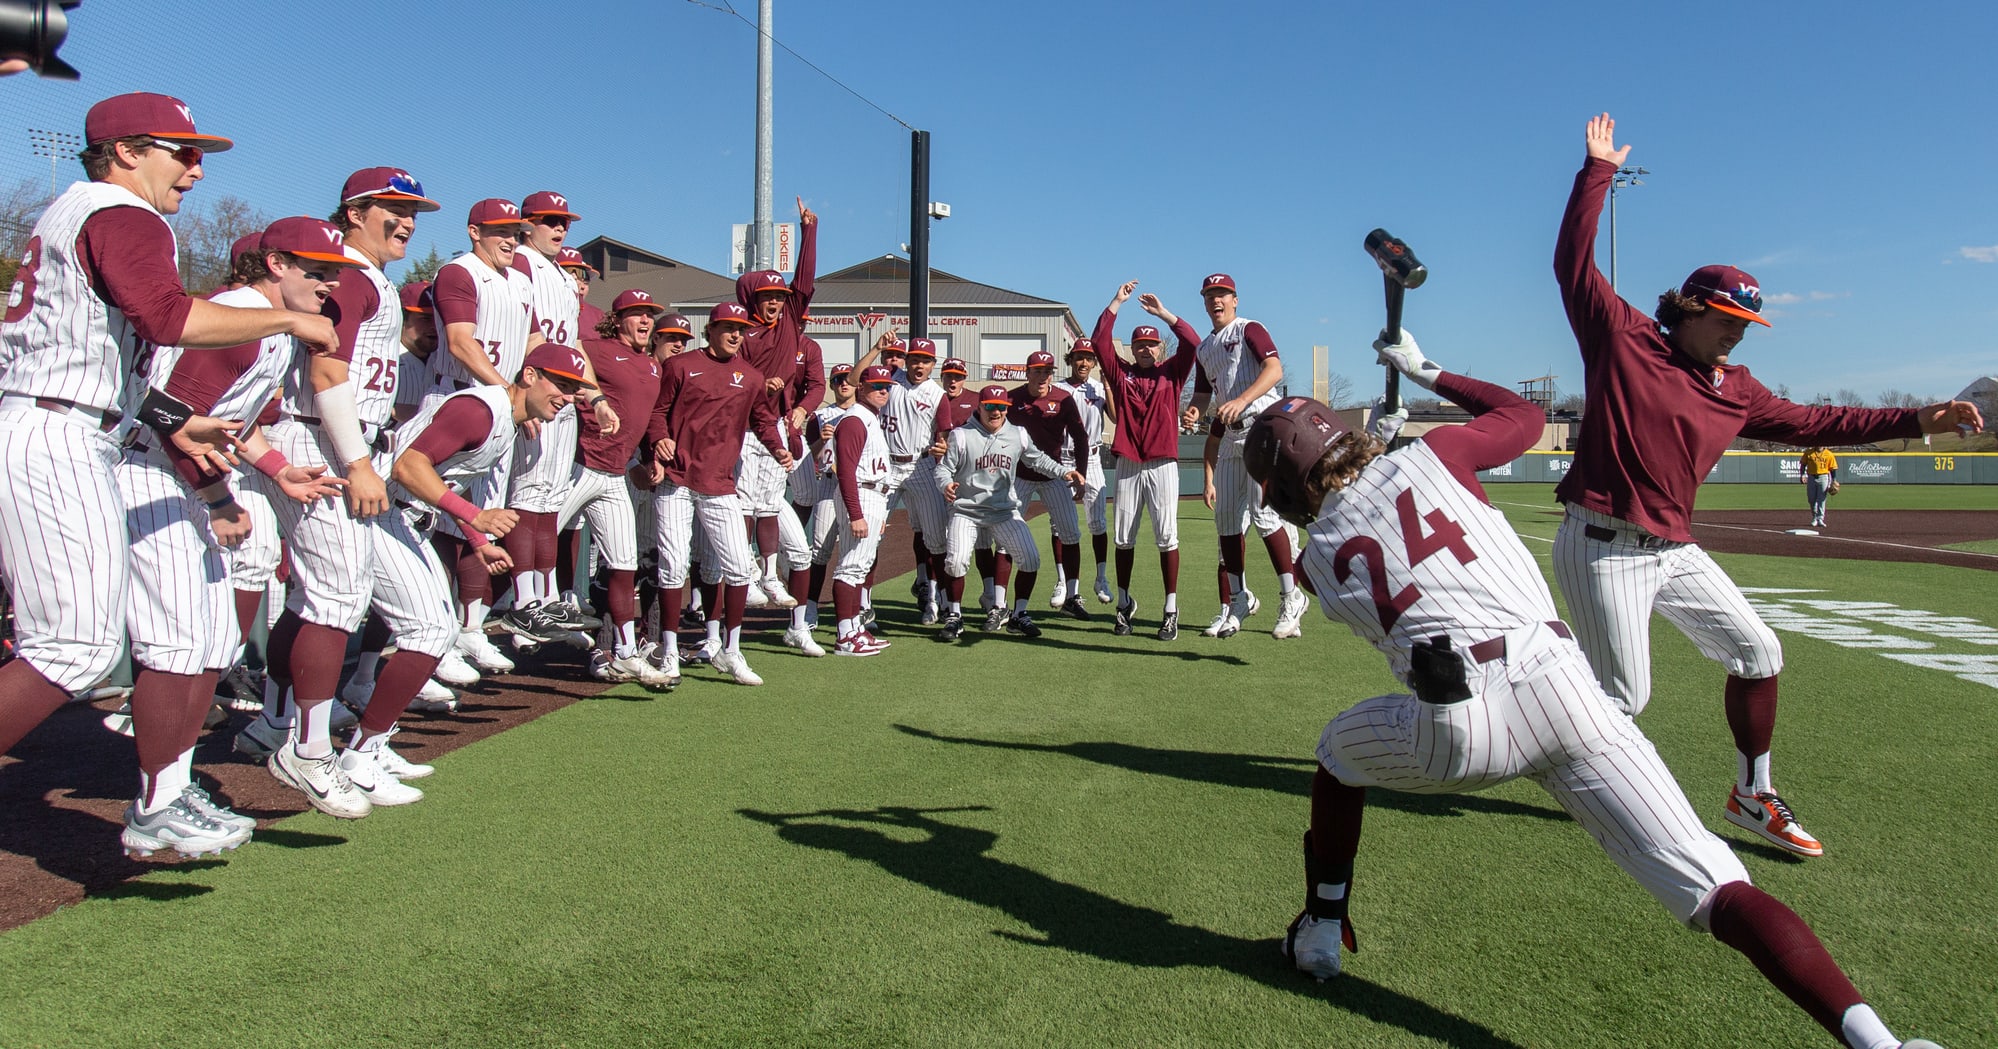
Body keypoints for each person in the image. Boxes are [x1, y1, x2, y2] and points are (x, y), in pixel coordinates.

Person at [1252, 334, 1950, 1049]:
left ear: (1282, 491)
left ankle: (1321, 929)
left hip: (1456, 723)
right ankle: (1880, 1042)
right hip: (1563, 684)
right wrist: (1425, 389)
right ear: (1348, 435)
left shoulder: (1318, 564)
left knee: (1338, 757)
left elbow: (1344, 536)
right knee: (1719, 888)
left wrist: (1373, 467)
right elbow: (1516, 411)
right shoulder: (1440, 456)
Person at [1551, 114, 1984, 857]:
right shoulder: (1623, 339)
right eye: (1727, 318)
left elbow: (1824, 418)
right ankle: (1520, 736)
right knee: (1623, 700)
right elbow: (1573, 265)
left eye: (1746, 321)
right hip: (1603, 544)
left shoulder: (1739, 387)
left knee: (1758, 652)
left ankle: (1752, 795)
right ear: (1689, 310)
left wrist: (1920, 416)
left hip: (1671, 548)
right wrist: (1595, 173)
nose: (1739, 332)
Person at [0, 93, 333, 770]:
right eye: (182, 151)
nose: (197, 169)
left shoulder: (78, 210)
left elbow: (119, 362)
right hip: (57, 433)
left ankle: (163, 802)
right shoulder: (122, 210)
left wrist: (181, 419)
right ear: (125, 151)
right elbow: (165, 317)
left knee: (81, 646)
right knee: (73, 649)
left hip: (60, 421)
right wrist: (289, 321)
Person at [115, 216, 356, 856]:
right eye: (318, 271)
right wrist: (218, 497)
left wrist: (279, 471)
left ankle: (170, 788)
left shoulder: (268, 323)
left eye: (335, 273)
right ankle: (158, 802)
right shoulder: (243, 316)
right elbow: (174, 418)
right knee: (170, 643)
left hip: (170, 476)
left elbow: (229, 423)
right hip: (146, 472)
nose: (331, 285)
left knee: (214, 638)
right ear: (275, 265)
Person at [241, 173, 467, 816]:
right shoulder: (350, 274)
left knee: (417, 616)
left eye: (412, 212)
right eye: (393, 210)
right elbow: (327, 370)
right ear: (354, 211)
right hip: (322, 442)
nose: (407, 222)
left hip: (347, 442)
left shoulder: (370, 278)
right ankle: (304, 745)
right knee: (334, 596)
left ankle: (306, 731)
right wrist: (360, 460)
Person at [427, 198, 545, 672]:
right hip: (457, 399)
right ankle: (435, 632)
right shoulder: (458, 272)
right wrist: (508, 392)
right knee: (434, 520)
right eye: (499, 230)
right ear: (474, 231)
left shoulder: (521, 279)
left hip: (500, 411)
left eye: (515, 230)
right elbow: (459, 341)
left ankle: (470, 629)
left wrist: (529, 395)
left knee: (484, 518)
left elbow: (534, 344)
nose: (510, 239)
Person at [644, 302, 789, 686]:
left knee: (741, 568)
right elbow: (657, 412)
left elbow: (763, 420)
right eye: (727, 327)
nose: (735, 334)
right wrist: (659, 438)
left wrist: (778, 449)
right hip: (676, 481)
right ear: (710, 330)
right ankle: (670, 652)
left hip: (721, 483)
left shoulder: (751, 376)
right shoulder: (681, 366)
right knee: (673, 567)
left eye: (740, 329)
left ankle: (730, 649)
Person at [503, 190, 605, 642]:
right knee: (527, 497)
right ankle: (522, 601)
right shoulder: (521, 262)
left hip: (563, 400)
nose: (559, 227)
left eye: (563, 221)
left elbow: (574, 344)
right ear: (526, 223)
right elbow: (527, 337)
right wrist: (524, 394)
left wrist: (596, 395)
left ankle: (546, 599)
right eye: (548, 220)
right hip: (537, 393)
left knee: (549, 500)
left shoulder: (561, 275)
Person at [1182, 272, 1307, 640]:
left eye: (1222, 294)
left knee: (1265, 517)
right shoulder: (1205, 348)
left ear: (1235, 299)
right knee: (1225, 525)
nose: (1215, 301)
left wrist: (1242, 398)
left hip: (1262, 428)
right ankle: (1238, 598)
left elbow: (1274, 369)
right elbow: (1203, 396)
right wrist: (1193, 410)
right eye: (1209, 296)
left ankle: (1291, 595)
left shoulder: (1250, 328)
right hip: (1231, 439)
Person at [567, 290, 669, 688]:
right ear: (617, 319)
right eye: (636, 314)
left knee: (623, 563)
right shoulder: (598, 348)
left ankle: (624, 651)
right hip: (579, 463)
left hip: (614, 473)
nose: (645, 320)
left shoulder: (652, 365)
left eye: (649, 314)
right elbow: (566, 349)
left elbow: (645, 418)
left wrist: (649, 457)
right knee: (537, 529)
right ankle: (522, 605)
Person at [1091, 281, 1203, 640]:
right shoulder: (1121, 373)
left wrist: (1164, 314)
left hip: (1163, 464)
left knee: (1166, 537)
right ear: (1133, 348)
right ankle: (1124, 603)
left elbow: (1194, 344)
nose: (1144, 349)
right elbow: (1099, 343)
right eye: (1139, 345)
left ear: (1159, 347)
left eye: (1150, 344)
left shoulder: (1171, 372)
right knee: (1123, 538)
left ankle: (1170, 608)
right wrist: (1117, 302)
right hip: (1128, 463)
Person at [933, 384, 1084, 642]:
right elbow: (943, 469)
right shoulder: (961, 435)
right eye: (989, 406)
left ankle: (1019, 615)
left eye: (1001, 407)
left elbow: (1038, 460)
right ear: (979, 407)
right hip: (967, 510)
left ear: (1007, 409)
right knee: (956, 560)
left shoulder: (1018, 434)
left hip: (1003, 510)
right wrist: (945, 484)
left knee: (1031, 559)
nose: (995, 412)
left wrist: (1063, 472)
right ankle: (954, 615)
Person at [735, 197, 822, 611]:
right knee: (745, 505)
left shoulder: (788, 318)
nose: (774, 301)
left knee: (769, 504)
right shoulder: (738, 331)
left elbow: (803, 283)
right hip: (744, 430)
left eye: (778, 295)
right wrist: (757, 382)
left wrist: (808, 233)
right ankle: (746, 572)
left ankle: (769, 575)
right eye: (767, 295)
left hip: (777, 429)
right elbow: (730, 379)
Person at [1007, 350, 1092, 622]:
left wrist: (1080, 473)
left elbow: (1080, 437)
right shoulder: (1012, 398)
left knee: (1070, 534)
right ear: (1027, 372)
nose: (1043, 376)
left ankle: (1072, 596)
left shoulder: (1063, 398)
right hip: (1018, 475)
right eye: (1037, 370)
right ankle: (999, 604)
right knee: (1004, 539)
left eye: (1047, 371)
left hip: (1053, 474)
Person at [826, 365, 897, 655]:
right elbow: (845, 471)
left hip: (875, 495)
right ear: (861, 388)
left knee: (860, 566)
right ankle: (844, 636)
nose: (883, 391)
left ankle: (855, 628)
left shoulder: (870, 418)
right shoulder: (855, 420)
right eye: (876, 386)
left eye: (887, 386)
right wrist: (856, 514)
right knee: (850, 567)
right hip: (861, 494)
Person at [1052, 339, 1113, 608]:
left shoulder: (1099, 388)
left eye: (1089, 358)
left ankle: (1101, 578)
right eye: (1079, 357)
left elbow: (1117, 416)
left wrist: (1108, 385)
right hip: (1063, 460)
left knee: (1098, 523)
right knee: (1059, 525)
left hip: (1094, 459)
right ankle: (1062, 581)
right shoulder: (1058, 388)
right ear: (1071, 358)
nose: (1084, 363)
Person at [1800, 445, 1838, 528]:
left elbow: (1833, 468)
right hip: (1811, 477)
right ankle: (1814, 517)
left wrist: (1834, 480)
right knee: (1811, 499)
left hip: (1823, 477)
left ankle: (1820, 519)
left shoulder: (1829, 454)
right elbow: (1803, 464)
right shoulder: (1809, 452)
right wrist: (1802, 475)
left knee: (1822, 499)